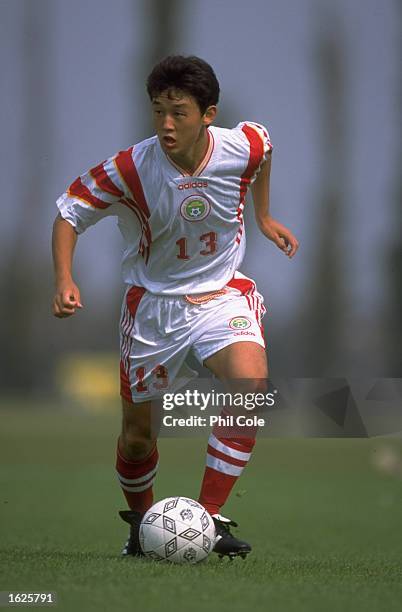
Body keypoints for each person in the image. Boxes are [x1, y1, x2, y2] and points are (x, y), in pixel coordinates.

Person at [52, 55, 299, 560]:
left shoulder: (242, 146)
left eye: (178, 112)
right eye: (158, 110)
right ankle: (142, 529)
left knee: (250, 388)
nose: (166, 123)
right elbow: (68, 210)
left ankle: (209, 519)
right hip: (154, 309)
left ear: (208, 114)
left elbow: (265, 149)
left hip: (222, 293)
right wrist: (64, 278)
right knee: (138, 438)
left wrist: (265, 216)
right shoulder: (130, 168)